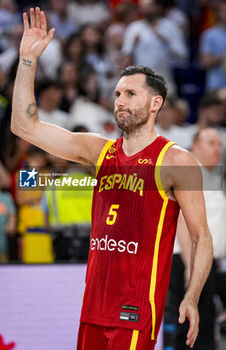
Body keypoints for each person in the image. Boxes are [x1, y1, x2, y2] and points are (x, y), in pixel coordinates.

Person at [11, 8, 213, 349]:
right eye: (118, 94)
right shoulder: (97, 151)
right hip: (93, 307)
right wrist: (27, 60)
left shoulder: (177, 161)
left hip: (135, 310)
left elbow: (201, 236)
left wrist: (191, 296)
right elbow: (24, 126)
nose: (120, 101)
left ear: (155, 104)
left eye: (131, 94)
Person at [165, 128, 226, 350]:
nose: (217, 148)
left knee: (204, 325)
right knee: (192, 327)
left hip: (206, 262)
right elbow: (181, 218)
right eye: (211, 143)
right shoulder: (191, 173)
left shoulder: (210, 176)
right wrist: (192, 267)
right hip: (190, 260)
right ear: (196, 147)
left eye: (219, 143)